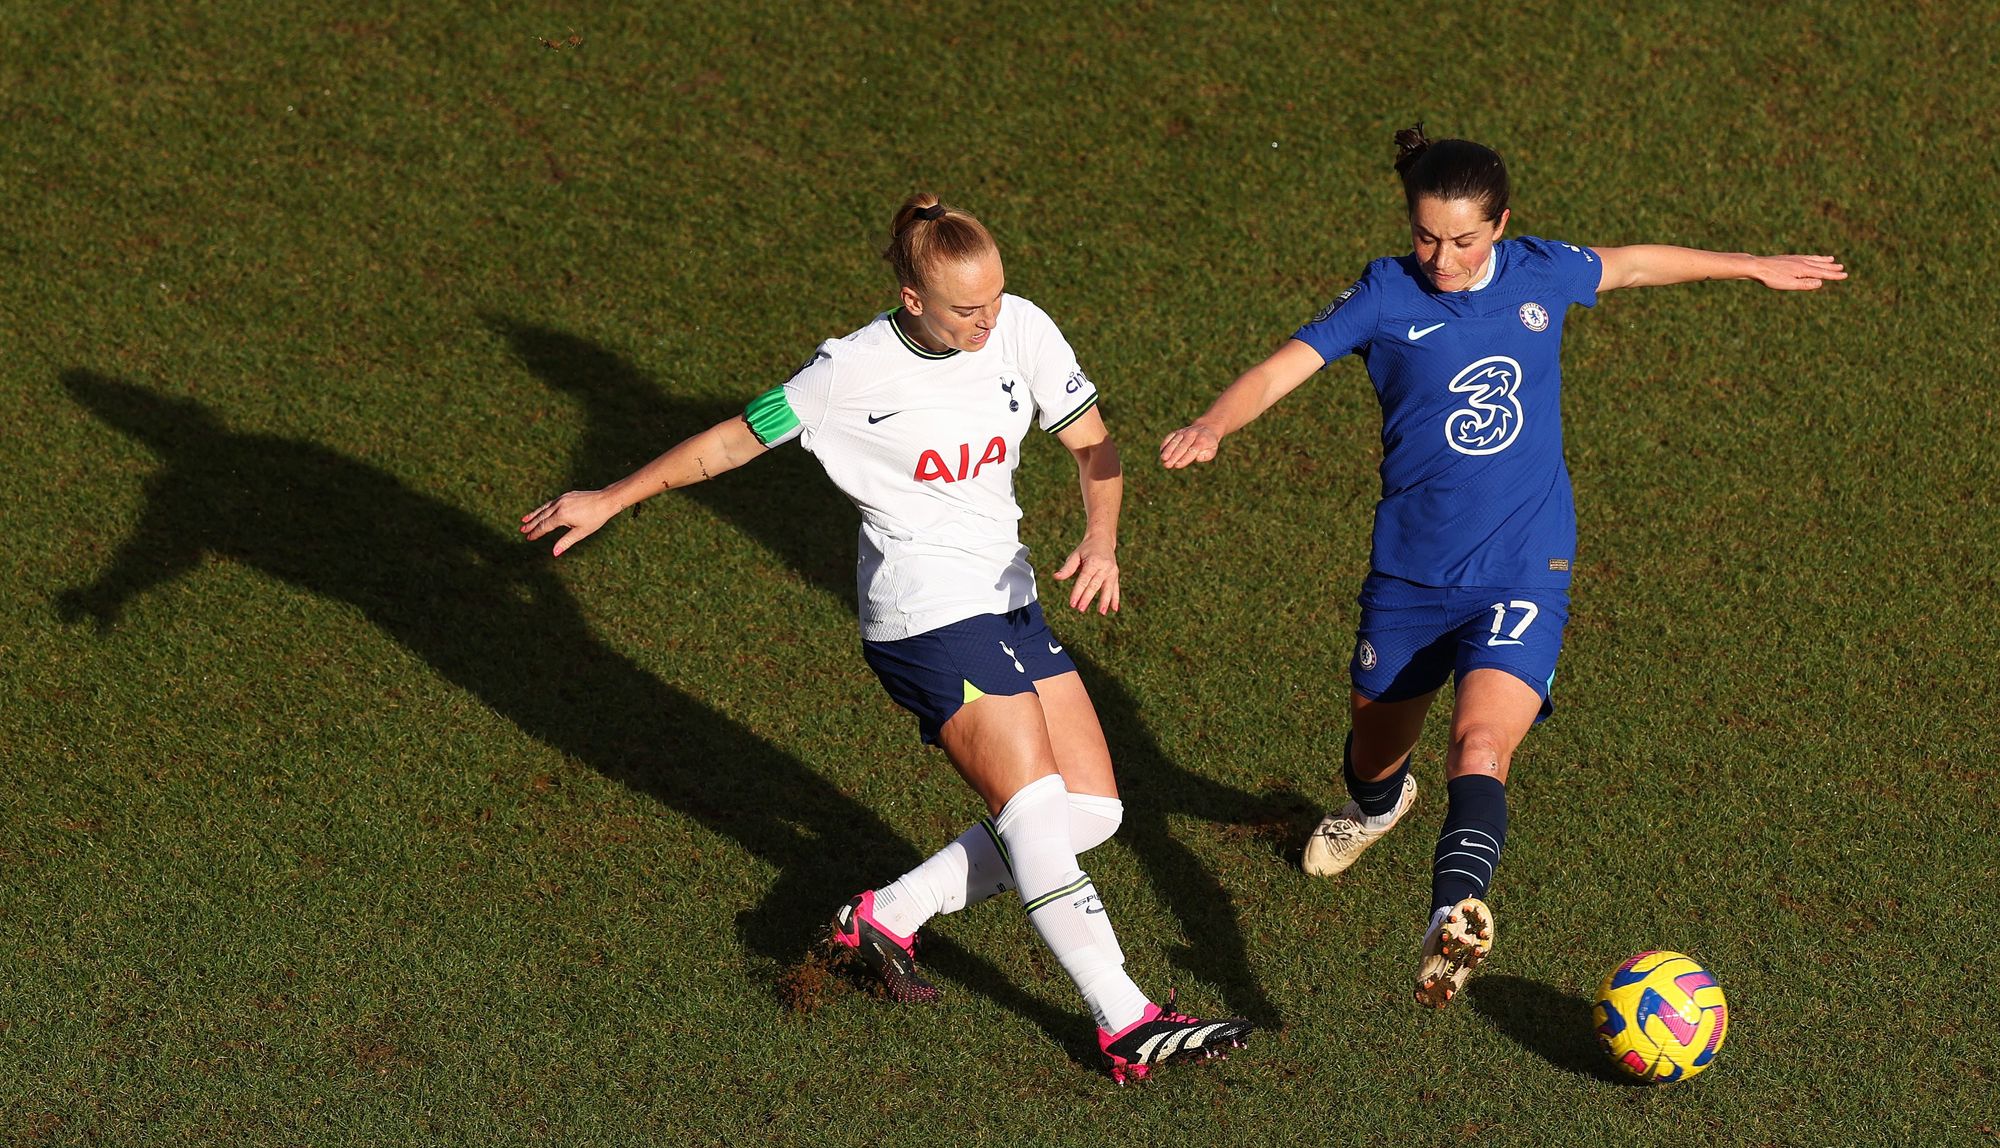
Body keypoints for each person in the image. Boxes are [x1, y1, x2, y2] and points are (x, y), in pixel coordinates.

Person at [522, 194, 1251, 1082]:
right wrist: (609, 497)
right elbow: (730, 443)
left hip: (1006, 594)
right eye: (966, 309)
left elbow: (1093, 444)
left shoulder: (1018, 328)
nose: (990, 321)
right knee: (1031, 813)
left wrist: (1101, 538)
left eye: (996, 298)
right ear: (914, 299)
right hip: (926, 613)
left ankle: (887, 915)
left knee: (1091, 810)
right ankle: (1123, 1017)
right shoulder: (849, 372)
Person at [1161, 125, 1844, 1009]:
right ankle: (1377, 808)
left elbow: (1632, 263)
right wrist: (1217, 423)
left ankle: (1450, 916)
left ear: (1502, 226)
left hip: (1525, 566)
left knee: (1480, 746)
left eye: (1463, 240)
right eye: (1425, 236)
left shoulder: (1538, 271)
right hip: (1410, 581)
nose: (1441, 258)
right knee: (1372, 761)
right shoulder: (1383, 293)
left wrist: (1750, 262)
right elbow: (1281, 369)